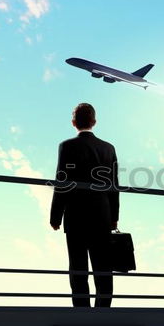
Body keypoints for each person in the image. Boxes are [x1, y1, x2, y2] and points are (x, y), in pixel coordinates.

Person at [50, 103, 119, 307]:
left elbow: (62, 182)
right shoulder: (109, 148)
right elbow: (114, 185)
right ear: (94, 122)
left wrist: (56, 216)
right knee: (103, 267)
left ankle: (82, 311)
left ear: (73, 122)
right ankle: (103, 311)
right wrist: (114, 216)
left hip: (76, 214)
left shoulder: (67, 146)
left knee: (78, 267)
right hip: (102, 214)